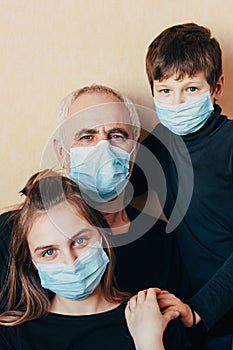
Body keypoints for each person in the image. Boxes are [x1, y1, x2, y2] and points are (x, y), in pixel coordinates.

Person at [0, 85, 188, 310]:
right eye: (87, 136)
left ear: (135, 152)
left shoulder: (160, 240)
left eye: (117, 135)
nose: (103, 149)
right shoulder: (11, 233)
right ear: (62, 153)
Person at [0, 170, 191, 349]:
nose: (70, 261)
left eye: (79, 241)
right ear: (33, 261)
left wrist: (150, 343)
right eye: (49, 252)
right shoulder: (13, 337)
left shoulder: (153, 319)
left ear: (103, 237)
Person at [131, 22, 233, 349]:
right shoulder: (160, 143)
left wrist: (200, 309)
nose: (176, 103)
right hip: (187, 319)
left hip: (213, 310)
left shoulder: (230, 143)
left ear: (216, 87)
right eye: (165, 91)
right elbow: (115, 192)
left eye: (190, 89)